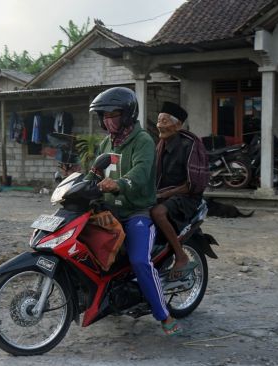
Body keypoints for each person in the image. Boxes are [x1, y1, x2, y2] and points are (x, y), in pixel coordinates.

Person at [87, 87, 181, 336]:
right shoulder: (107, 143)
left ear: (128, 114)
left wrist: (120, 183)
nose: (108, 120)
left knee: (139, 260)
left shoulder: (143, 141)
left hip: (137, 212)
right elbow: (94, 172)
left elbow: (140, 172)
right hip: (111, 210)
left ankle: (164, 315)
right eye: (104, 116)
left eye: (113, 114)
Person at [151, 102, 208, 281]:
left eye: (165, 121)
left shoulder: (189, 146)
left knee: (157, 213)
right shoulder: (159, 146)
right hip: (164, 195)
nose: (160, 125)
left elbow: (191, 185)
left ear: (177, 125)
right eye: (159, 120)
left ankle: (180, 256)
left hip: (186, 197)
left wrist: (162, 194)